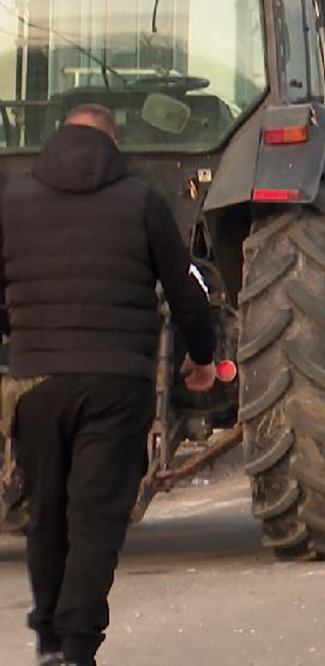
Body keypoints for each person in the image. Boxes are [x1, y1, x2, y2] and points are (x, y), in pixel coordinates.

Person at [0, 104, 217, 666]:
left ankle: (48, 641)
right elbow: (186, 291)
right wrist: (202, 358)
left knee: (46, 513)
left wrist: (21, 341)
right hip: (116, 384)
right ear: (112, 144)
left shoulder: (12, 201)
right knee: (94, 516)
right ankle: (76, 647)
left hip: (36, 381)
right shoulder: (141, 201)